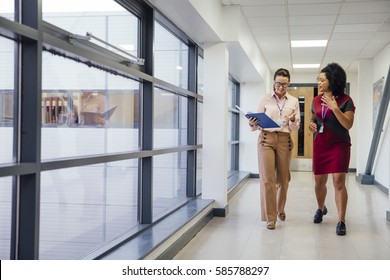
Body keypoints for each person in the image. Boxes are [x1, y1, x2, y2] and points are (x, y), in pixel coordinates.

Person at [248, 68, 300, 230]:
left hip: (284, 139)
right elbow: (255, 123)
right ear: (273, 82)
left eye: (284, 84)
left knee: (283, 179)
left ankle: (280, 208)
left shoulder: (293, 101)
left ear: (288, 84)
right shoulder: (265, 99)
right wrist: (252, 122)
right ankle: (271, 217)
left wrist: (292, 120)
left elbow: (295, 126)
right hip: (266, 139)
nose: (281, 87)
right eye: (278, 83)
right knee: (268, 179)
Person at [308, 63, 355, 236]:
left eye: (322, 80)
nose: (319, 83)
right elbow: (314, 120)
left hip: (339, 145)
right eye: (318, 80)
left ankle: (341, 220)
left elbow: (348, 124)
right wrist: (311, 125)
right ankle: (321, 208)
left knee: (338, 182)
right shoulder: (315, 100)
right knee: (319, 182)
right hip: (321, 144)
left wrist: (335, 108)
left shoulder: (346, 101)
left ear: (332, 81)